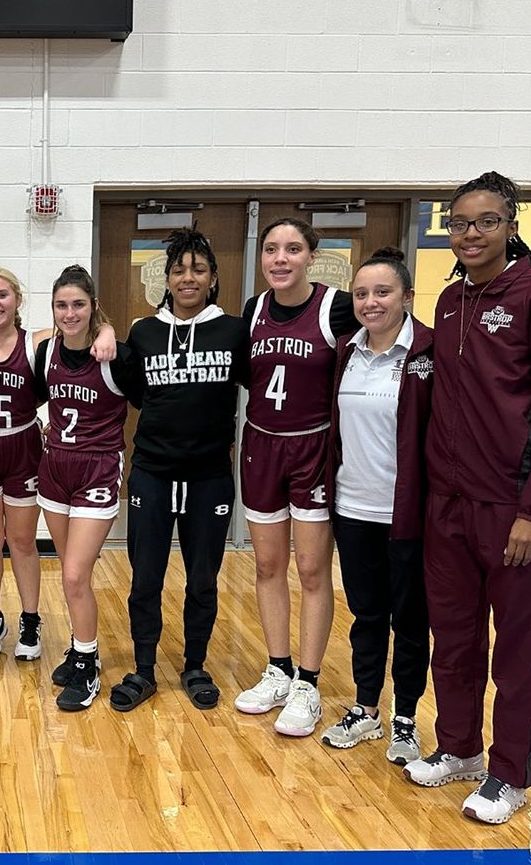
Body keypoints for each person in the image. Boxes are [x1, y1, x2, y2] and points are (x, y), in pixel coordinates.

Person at [402, 172, 531, 824]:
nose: (470, 234)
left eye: (484, 221)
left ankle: (510, 775)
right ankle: (459, 749)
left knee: (518, 646)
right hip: (448, 508)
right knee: (451, 639)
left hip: (516, 511)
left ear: (512, 225)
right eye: (458, 223)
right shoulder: (451, 303)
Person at [113, 229, 248, 712]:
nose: (187, 277)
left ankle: (195, 664)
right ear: (167, 280)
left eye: (197, 269)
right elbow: (134, 392)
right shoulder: (145, 332)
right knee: (145, 578)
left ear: (212, 279)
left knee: (203, 580)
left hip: (209, 475)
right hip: (152, 471)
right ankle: (144, 668)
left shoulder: (234, 331)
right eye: (178, 270)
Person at [234, 217, 359, 737]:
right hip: (262, 444)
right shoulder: (254, 310)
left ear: (312, 255)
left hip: (313, 449)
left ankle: (309, 682)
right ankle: (278, 669)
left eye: (292, 249)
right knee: (267, 565)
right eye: (270, 249)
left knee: (311, 571)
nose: (279, 259)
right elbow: (249, 375)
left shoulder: (338, 307)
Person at [0, 268, 116, 662]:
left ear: (18, 299)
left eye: (2, 295)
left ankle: (31, 619)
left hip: (25, 448)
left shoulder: (38, 344)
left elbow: (83, 329)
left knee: (22, 542)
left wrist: (107, 331)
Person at [320, 247, 433, 766]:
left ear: (407, 296)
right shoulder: (347, 350)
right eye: (362, 293)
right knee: (367, 613)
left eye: (382, 292)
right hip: (352, 506)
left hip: (408, 513)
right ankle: (367, 707)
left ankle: (406, 718)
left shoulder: (428, 353)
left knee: (410, 619)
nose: (371, 302)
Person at [35, 265, 142, 712]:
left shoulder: (116, 355)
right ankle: (83, 647)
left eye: (79, 304)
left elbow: (144, 400)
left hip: (98, 467)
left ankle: (87, 663)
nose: (69, 312)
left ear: (93, 306)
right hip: (55, 466)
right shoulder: (46, 350)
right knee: (69, 571)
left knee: (76, 574)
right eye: (62, 304)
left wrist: (112, 331)